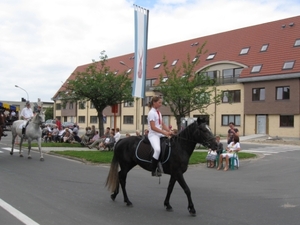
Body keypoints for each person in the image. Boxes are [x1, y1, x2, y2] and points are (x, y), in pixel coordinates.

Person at [148, 96, 172, 176]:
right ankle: (153, 169)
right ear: (154, 103)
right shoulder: (151, 113)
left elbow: (162, 124)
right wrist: (165, 133)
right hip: (153, 134)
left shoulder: (158, 112)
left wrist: (169, 131)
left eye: (161, 102)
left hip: (160, 133)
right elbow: (153, 127)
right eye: (159, 102)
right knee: (157, 150)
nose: (161, 104)